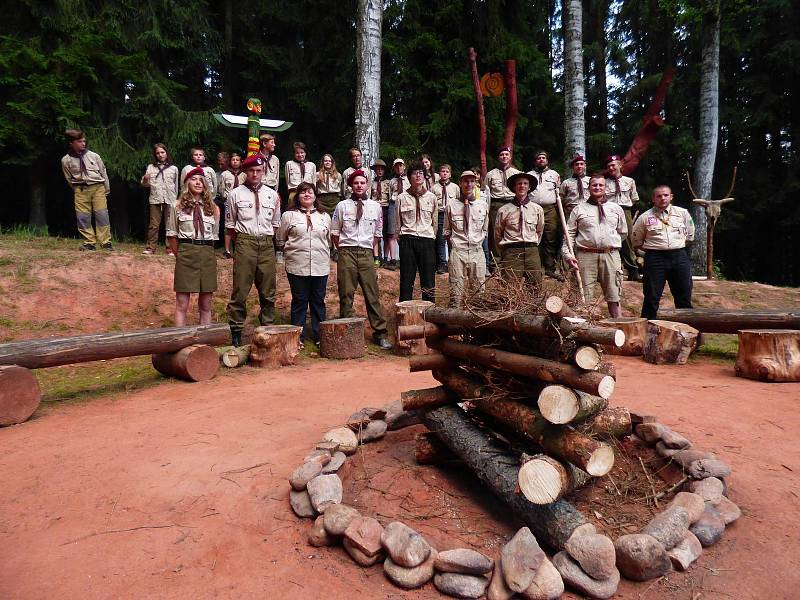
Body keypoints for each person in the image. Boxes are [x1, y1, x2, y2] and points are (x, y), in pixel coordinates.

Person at [331, 170, 392, 350]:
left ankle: (380, 333)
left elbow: (377, 234)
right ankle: (348, 334)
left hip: (366, 253)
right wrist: (343, 249)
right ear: (351, 185)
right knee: (346, 293)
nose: (359, 186)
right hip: (347, 252)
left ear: (367, 185)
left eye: (362, 183)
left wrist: (368, 250)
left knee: (372, 294)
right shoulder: (342, 206)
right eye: (356, 183)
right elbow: (335, 232)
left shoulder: (375, 206)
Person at [225, 155, 281, 347]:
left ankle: (267, 330)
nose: (255, 174)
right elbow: (230, 226)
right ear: (245, 172)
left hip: (266, 244)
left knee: (268, 291)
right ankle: (236, 332)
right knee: (240, 290)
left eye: (259, 171)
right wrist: (243, 241)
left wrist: (264, 239)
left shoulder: (272, 195)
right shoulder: (235, 194)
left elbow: (275, 223)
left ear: (263, 172)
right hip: (245, 243)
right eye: (251, 171)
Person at [562, 175, 627, 317]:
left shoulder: (615, 209)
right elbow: (569, 235)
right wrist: (567, 254)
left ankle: (618, 326)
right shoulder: (578, 209)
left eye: (600, 185)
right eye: (594, 185)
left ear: (605, 188)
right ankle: (583, 333)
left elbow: (623, 232)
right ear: (589, 188)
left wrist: (609, 244)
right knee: (583, 297)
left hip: (610, 255)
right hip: (585, 256)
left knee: (614, 296)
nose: (597, 188)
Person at [276, 182, 331, 346]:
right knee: (299, 300)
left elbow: (328, 240)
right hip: (297, 265)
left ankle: (320, 336)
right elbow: (280, 238)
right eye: (303, 192)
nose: (307, 195)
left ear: (315, 196)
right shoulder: (289, 216)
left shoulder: (324, 216)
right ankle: (297, 337)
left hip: (320, 265)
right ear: (297, 196)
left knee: (318, 301)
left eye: (310, 192)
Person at [631, 185, 696, 319]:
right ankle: (648, 332)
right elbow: (637, 241)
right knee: (651, 297)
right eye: (659, 196)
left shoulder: (682, 213)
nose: (662, 198)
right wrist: (655, 248)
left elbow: (690, 236)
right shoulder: (645, 217)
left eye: (666, 195)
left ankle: (688, 332)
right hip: (655, 258)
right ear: (653, 199)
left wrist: (675, 247)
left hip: (679, 257)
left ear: (671, 197)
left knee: (684, 295)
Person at [166, 167, 219, 326]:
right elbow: (172, 235)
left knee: (206, 304)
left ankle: (204, 344)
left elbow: (214, 236)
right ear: (187, 183)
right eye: (194, 179)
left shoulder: (213, 208)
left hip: (207, 254)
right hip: (186, 252)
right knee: (182, 303)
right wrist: (180, 255)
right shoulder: (177, 206)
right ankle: (179, 343)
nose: (198, 183)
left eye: (201, 180)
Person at [61, 128, 113, 251]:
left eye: (84, 141)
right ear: (71, 143)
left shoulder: (94, 156)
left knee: (102, 215)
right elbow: (68, 178)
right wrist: (77, 190)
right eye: (79, 141)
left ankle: (105, 242)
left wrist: (106, 189)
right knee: (83, 217)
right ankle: (89, 242)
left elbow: (103, 172)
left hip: (98, 187)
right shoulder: (66, 160)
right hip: (81, 189)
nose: (83, 143)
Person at [444, 170, 488, 308]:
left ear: (475, 183)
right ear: (460, 183)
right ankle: (454, 327)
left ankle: (474, 327)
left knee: (478, 292)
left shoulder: (483, 205)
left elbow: (485, 230)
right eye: (465, 181)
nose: (468, 184)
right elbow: (447, 231)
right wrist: (454, 250)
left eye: (472, 181)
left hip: (477, 251)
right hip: (458, 252)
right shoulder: (451, 205)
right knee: (455, 293)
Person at [397, 163, 438, 302]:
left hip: (426, 240)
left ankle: (431, 315)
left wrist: (431, 238)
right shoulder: (401, 198)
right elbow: (398, 223)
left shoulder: (432, 198)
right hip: (407, 239)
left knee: (428, 280)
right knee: (406, 280)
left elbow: (435, 222)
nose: (418, 175)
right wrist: (402, 239)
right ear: (409, 177)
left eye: (421, 172)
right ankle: (404, 312)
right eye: (415, 173)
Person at [494, 172, 545, 284]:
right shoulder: (504, 210)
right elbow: (498, 233)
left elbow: (539, 230)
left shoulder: (537, 209)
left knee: (535, 284)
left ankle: (534, 302)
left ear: (529, 187)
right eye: (519, 184)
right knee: (509, 286)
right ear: (514, 187)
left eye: (525, 183)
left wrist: (532, 243)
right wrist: (507, 248)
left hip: (531, 250)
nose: (522, 186)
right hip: (512, 251)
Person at [605, 154, 642, 281]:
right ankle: (609, 270)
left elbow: (634, 198)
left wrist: (624, 209)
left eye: (613, 165)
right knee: (608, 239)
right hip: (609, 211)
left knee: (627, 240)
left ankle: (633, 270)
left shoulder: (629, 181)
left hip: (625, 210)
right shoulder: (604, 182)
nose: (611, 168)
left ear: (620, 165)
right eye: (609, 166)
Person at [528, 150, 563, 280]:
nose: (541, 160)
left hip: (550, 209)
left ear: (547, 160)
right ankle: (535, 268)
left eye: (543, 158)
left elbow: (559, 193)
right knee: (534, 237)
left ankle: (550, 268)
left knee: (550, 237)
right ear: (535, 161)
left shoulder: (554, 175)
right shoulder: (529, 175)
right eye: (538, 158)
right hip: (533, 209)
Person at [484, 146, 521, 264]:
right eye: (502, 155)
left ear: (510, 157)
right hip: (496, 204)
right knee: (496, 234)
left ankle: (512, 260)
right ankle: (497, 262)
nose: (504, 157)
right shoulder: (491, 174)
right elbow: (486, 192)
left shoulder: (516, 173)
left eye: (506, 154)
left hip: (512, 204)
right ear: (498, 157)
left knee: (512, 231)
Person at [140, 143, 179, 255]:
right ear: (155, 155)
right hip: (155, 198)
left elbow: (176, 185)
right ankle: (150, 248)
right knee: (154, 224)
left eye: (162, 152)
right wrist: (146, 180)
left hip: (170, 199)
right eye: (158, 153)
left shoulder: (173, 168)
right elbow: (145, 185)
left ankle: (170, 248)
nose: (160, 155)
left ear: (166, 153)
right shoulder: (151, 167)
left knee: (170, 224)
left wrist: (176, 200)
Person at [432, 164, 459, 274]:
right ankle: (442, 263)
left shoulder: (455, 187)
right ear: (439, 173)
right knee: (440, 239)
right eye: (442, 171)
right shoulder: (434, 188)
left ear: (450, 174)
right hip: (440, 215)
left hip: (452, 215)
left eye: (447, 172)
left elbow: (458, 202)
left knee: (452, 239)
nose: (444, 173)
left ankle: (452, 262)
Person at [370, 159, 397, 269]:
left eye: (381, 169)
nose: (380, 171)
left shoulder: (388, 183)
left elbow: (391, 197)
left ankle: (386, 259)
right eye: (377, 169)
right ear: (375, 170)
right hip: (375, 209)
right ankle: (376, 257)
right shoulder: (371, 183)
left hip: (386, 209)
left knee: (387, 234)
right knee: (375, 234)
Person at [218, 152, 245, 258]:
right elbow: (221, 189)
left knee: (240, 225)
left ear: (240, 161)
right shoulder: (225, 174)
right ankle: (227, 250)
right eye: (233, 160)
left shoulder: (244, 174)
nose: (235, 162)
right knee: (228, 225)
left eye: (237, 160)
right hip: (228, 203)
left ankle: (238, 249)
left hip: (242, 203)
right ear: (230, 161)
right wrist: (227, 197)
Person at [285, 142, 316, 208]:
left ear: (305, 153)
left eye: (302, 152)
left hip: (308, 194)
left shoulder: (311, 165)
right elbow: (287, 181)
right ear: (294, 154)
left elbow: (314, 183)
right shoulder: (289, 164)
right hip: (294, 193)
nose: (300, 155)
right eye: (297, 153)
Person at [560, 154, 590, 221]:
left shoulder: (590, 180)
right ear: (573, 167)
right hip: (570, 211)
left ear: (585, 166)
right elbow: (561, 199)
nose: (579, 166)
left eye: (581, 164)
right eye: (576, 164)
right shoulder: (566, 182)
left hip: (588, 210)